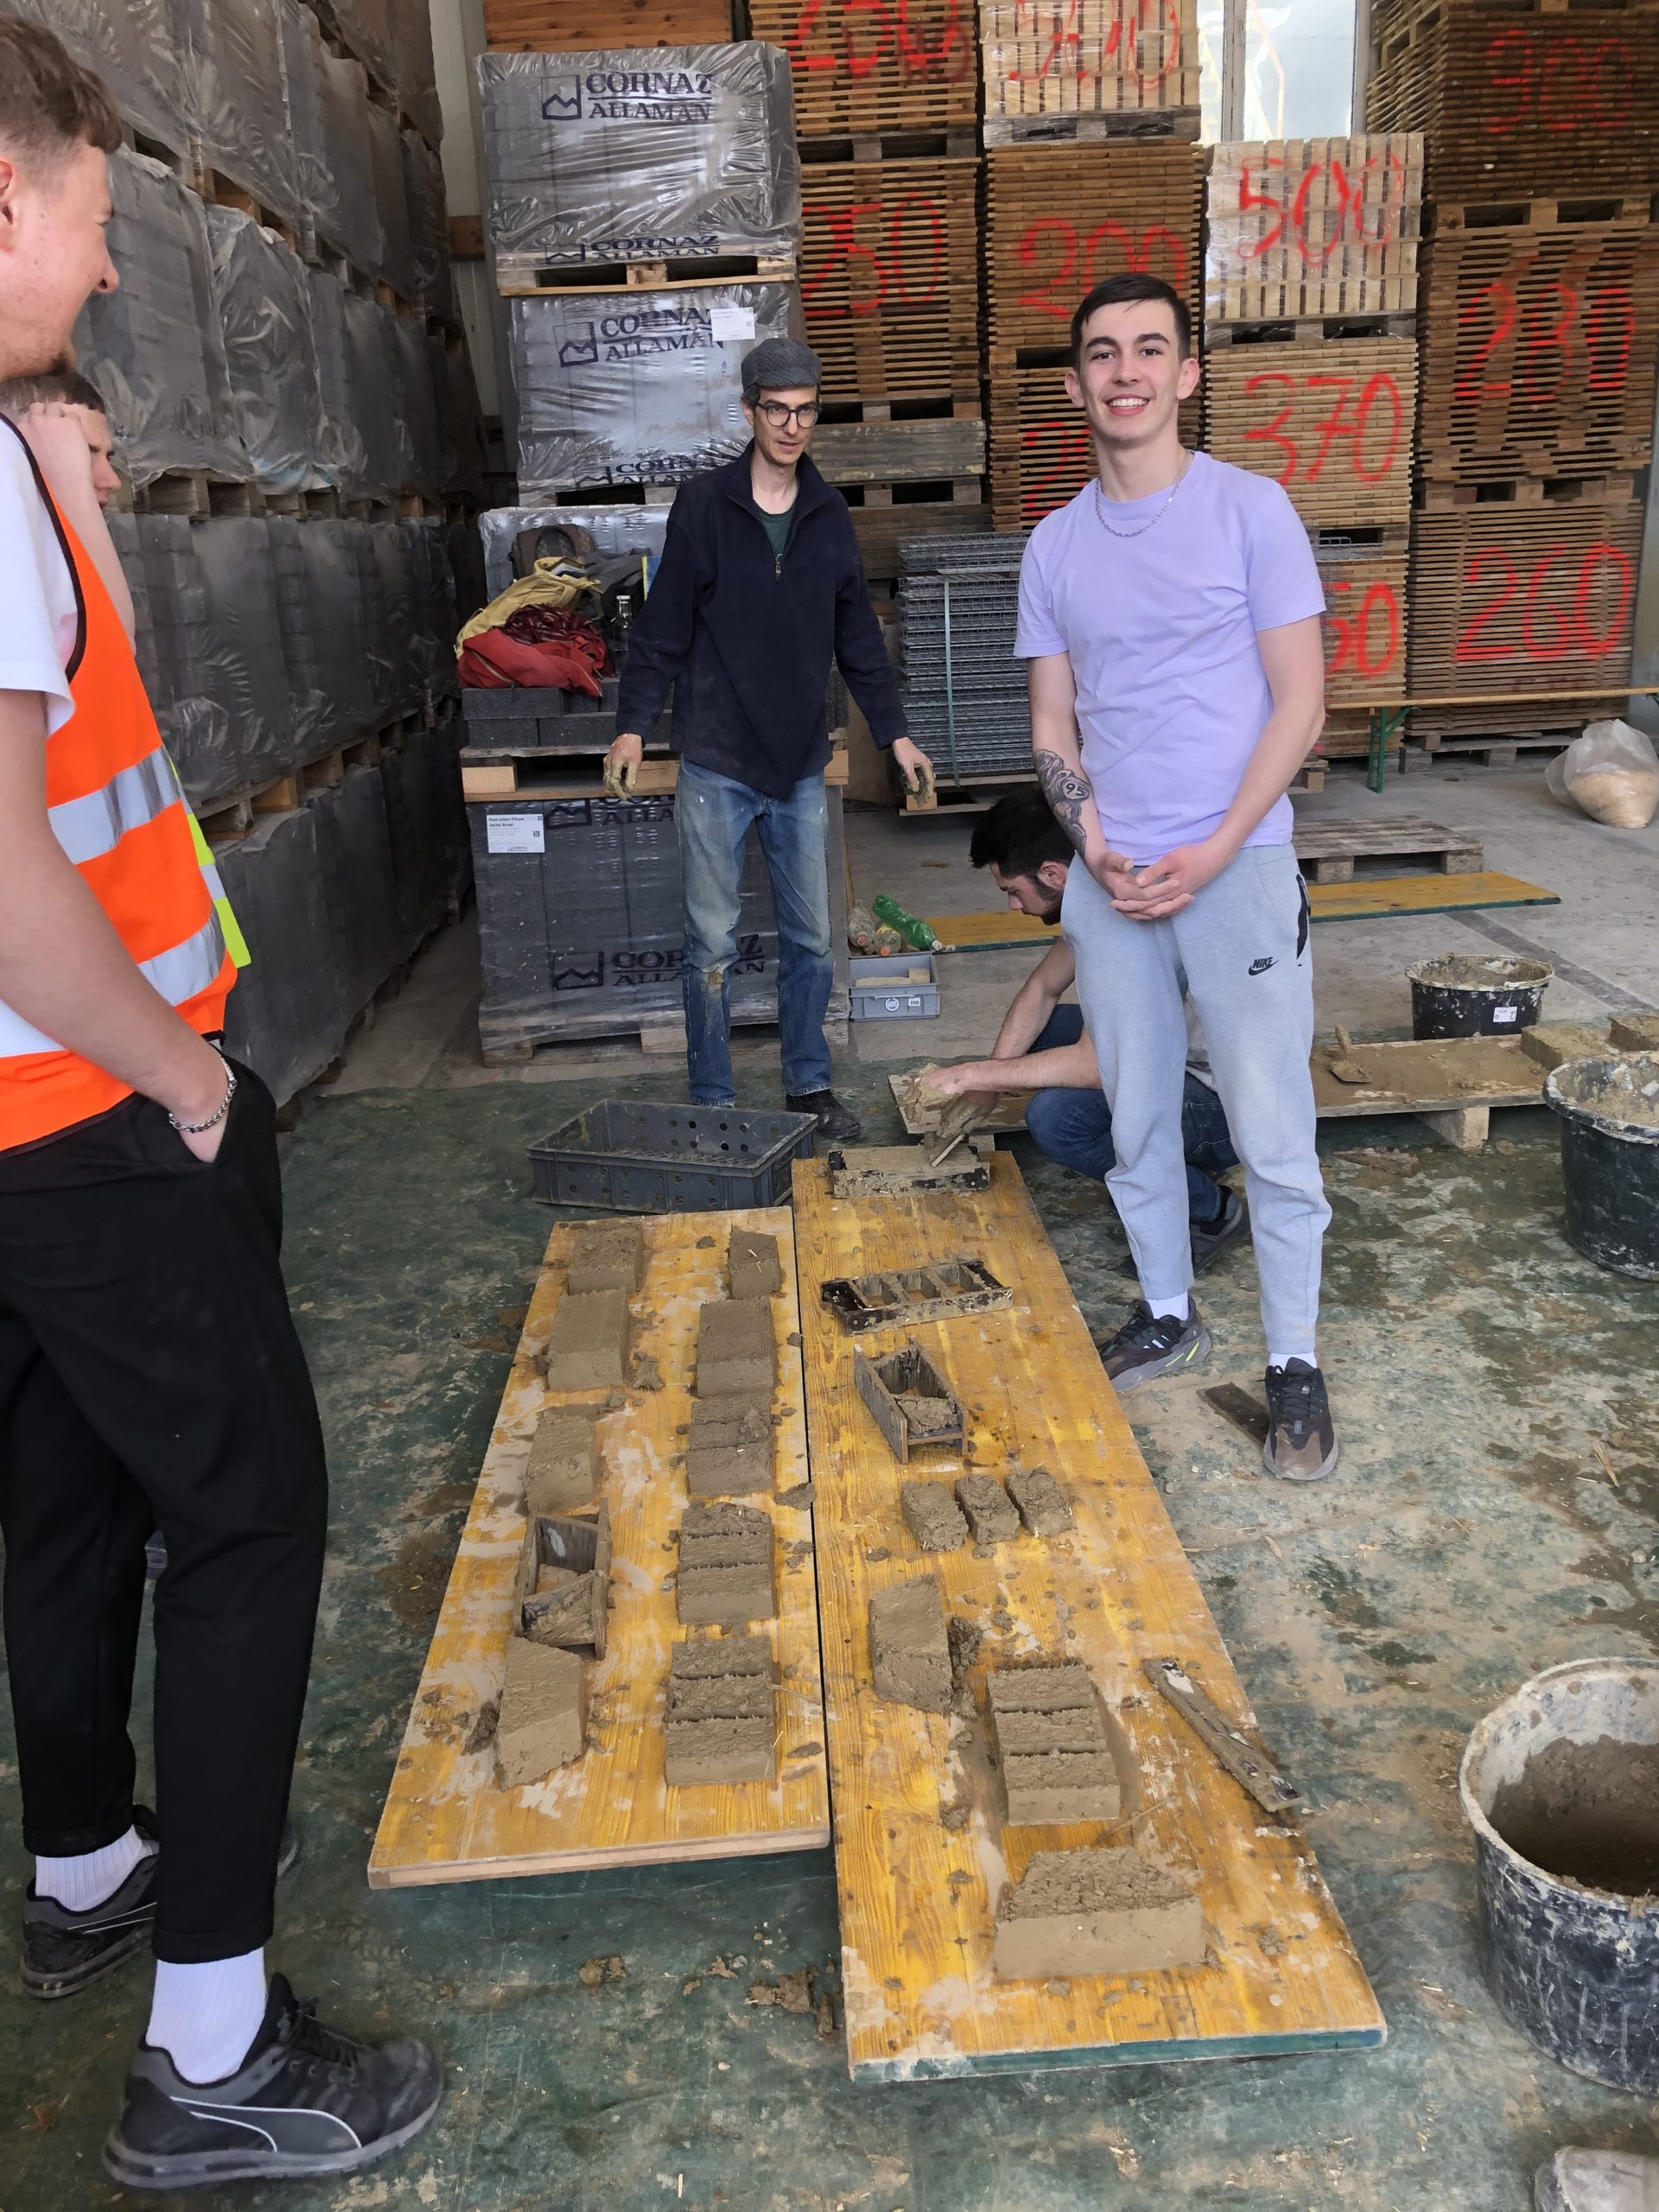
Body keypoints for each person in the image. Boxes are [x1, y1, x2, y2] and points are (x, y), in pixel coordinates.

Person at [0, 22, 440, 2188]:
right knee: (251, 1508)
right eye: (91, 219)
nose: (108, 267)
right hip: (83, 1100)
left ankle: (86, 1865)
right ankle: (213, 2047)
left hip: (16, 1136)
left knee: (67, 1489)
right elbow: (13, 872)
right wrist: (185, 1075)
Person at [1015, 270, 1337, 1481]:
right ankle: (1167, 1308)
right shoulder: (1054, 546)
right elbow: (1053, 722)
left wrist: (1213, 845)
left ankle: (1294, 1362)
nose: (1128, 372)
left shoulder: (1252, 511)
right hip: (1113, 878)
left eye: (1151, 349)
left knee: (1271, 1125)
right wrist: (1092, 842)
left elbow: (1301, 703)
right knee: (1137, 1114)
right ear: (1075, 385)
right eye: (1104, 353)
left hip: (1235, 865)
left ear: (1188, 374)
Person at [607, 335, 934, 1141]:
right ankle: (713, 1098)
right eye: (776, 410)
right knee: (710, 943)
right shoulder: (704, 507)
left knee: (812, 940)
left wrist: (897, 737)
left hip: (797, 763)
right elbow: (662, 630)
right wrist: (631, 729)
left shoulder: (828, 517)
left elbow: (858, 638)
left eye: (805, 411)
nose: (791, 426)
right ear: (750, 411)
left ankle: (809, 1087)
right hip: (716, 758)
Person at [922, 789, 1247, 1272]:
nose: (1012, 905)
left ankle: (1212, 1211)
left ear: (1052, 874)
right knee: (1047, 1031)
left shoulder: (1120, 925)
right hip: (1184, 1056)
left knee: (1058, 1119)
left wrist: (970, 1075)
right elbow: (1042, 990)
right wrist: (991, 1082)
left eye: (1013, 890)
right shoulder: (1102, 891)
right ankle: (1170, 1162)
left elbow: (1095, 1065)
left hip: (1225, 1107)